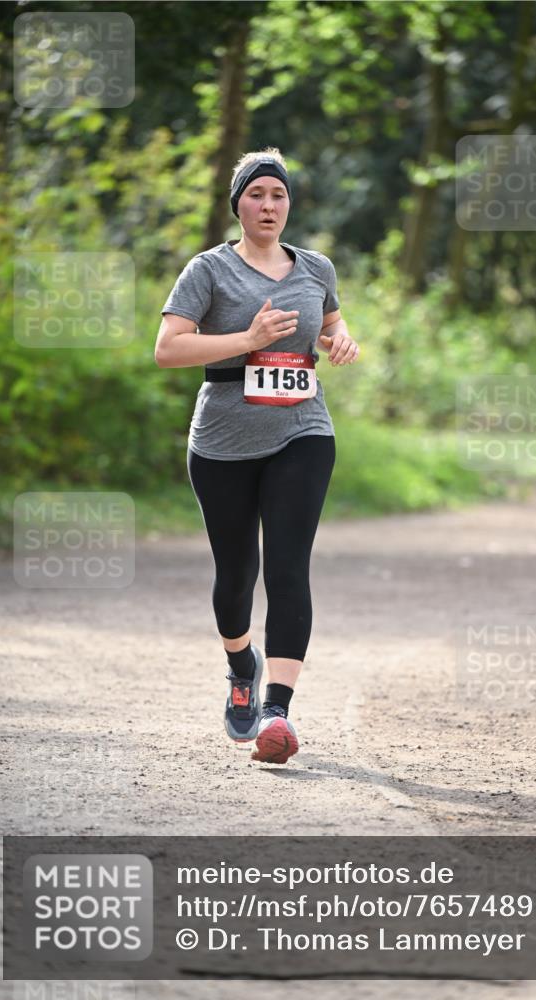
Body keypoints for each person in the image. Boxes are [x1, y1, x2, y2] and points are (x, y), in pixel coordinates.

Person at [155, 147, 360, 764]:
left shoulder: (316, 267)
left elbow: (331, 323)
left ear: (289, 204)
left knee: (288, 566)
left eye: (278, 196)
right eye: (257, 195)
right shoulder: (208, 269)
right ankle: (241, 664)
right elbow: (168, 348)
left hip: (303, 428)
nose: (269, 206)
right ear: (238, 204)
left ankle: (277, 712)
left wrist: (341, 339)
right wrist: (247, 339)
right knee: (236, 573)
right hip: (223, 439)